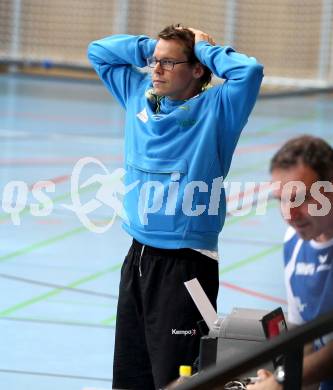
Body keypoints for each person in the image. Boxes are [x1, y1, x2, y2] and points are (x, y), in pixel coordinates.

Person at [88, 25, 263, 389]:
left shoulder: (218, 109)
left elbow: (249, 71)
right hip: (137, 258)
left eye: (168, 63)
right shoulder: (140, 96)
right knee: (130, 374)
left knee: (177, 380)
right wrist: (156, 47)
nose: (156, 69)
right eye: (155, 62)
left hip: (186, 264)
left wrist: (203, 47)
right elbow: (98, 51)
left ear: (197, 69)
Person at [248, 135, 333, 390]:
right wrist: (281, 375)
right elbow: (304, 338)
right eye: (283, 200)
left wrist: (281, 382)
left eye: (302, 198)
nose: (290, 214)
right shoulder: (294, 243)